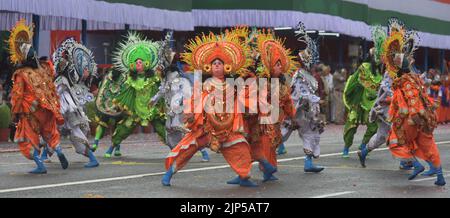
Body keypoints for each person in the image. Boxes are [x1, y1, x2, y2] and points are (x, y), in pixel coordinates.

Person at [162, 32, 257, 187]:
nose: (217, 65)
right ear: (209, 67)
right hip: (205, 129)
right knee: (185, 149)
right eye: (214, 63)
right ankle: (169, 174)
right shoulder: (205, 85)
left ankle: (244, 177)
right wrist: (191, 114)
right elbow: (195, 100)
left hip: (226, 129)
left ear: (226, 67)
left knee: (241, 148)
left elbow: (242, 99)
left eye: (220, 63)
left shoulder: (231, 85)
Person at [382, 18, 445, 186]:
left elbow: (410, 100)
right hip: (423, 119)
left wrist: (413, 116)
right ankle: (440, 177)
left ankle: (416, 164)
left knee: (395, 142)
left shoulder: (405, 82)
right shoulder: (414, 79)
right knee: (428, 146)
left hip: (412, 118)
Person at [8, 19, 68, 174]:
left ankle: (40, 166)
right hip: (47, 108)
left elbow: (17, 95)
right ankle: (59, 150)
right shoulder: (42, 69)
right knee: (50, 133)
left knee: (28, 138)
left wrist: (14, 113)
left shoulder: (21, 74)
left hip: (31, 110)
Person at [102, 32, 166, 158]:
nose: (138, 64)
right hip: (136, 110)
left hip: (151, 109)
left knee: (161, 130)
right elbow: (124, 91)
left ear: (147, 63)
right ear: (131, 64)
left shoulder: (154, 79)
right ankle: (112, 147)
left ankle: (176, 149)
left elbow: (162, 89)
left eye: (140, 62)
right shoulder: (130, 80)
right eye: (136, 62)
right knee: (124, 129)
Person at [280, 22, 325, 173]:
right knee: (279, 135)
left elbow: (309, 95)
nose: (314, 63)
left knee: (311, 133)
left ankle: (308, 163)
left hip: (304, 113)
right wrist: (316, 101)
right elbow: (301, 94)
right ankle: (263, 158)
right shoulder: (299, 75)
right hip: (294, 110)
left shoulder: (309, 75)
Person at [50, 38, 99, 168]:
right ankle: (45, 155)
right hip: (64, 112)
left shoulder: (62, 80)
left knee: (72, 133)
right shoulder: (65, 79)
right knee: (51, 131)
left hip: (67, 112)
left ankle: (93, 159)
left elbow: (56, 94)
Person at [341, 34, 383, 158]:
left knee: (373, 127)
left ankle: (363, 145)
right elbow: (357, 80)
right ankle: (346, 147)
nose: (379, 60)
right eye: (377, 57)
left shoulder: (380, 72)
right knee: (351, 126)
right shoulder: (364, 67)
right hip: (359, 102)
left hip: (371, 104)